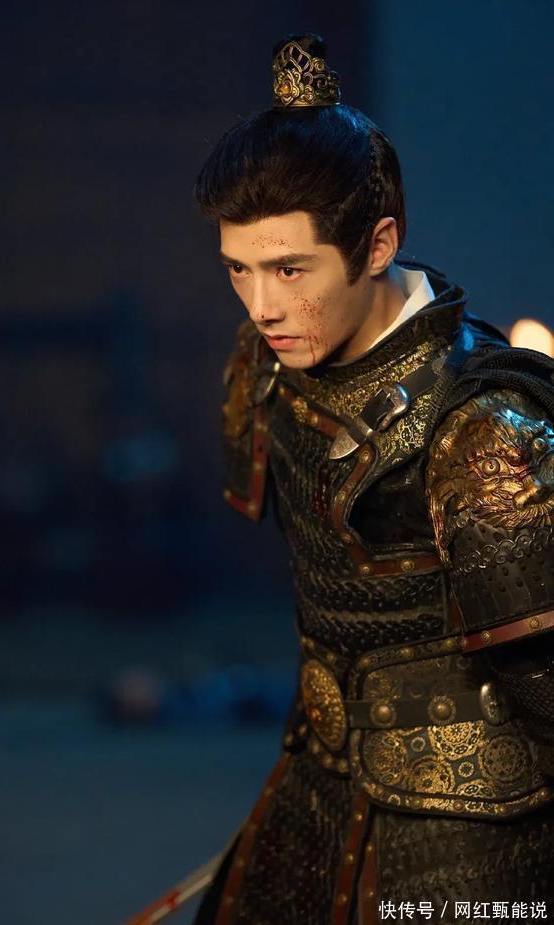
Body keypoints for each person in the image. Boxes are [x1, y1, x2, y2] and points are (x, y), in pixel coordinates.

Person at [192, 33, 554, 925]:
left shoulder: (485, 426)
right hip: (314, 780)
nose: (262, 305)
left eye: (290, 269)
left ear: (380, 241)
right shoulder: (268, 364)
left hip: (470, 825)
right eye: (239, 269)